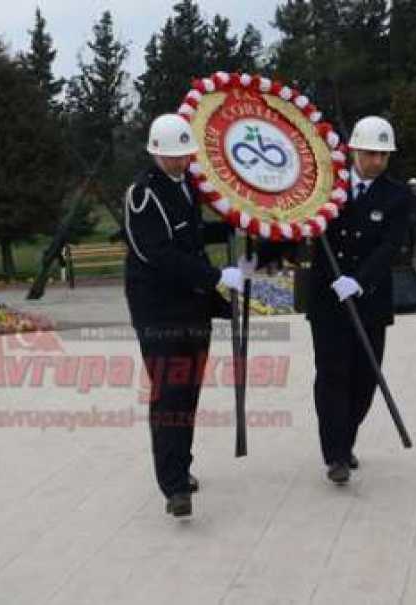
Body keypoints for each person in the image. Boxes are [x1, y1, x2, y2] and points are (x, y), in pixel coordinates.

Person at [124, 114, 244, 517]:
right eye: (172, 157)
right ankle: (173, 486)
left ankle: (182, 466)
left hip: (192, 305)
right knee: (169, 394)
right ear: (156, 153)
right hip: (159, 309)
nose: (180, 163)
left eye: (184, 156)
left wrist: (227, 227)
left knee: (188, 390)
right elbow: (158, 254)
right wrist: (215, 276)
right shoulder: (142, 195)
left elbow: (188, 236)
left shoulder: (188, 184)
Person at [304, 116, 411, 485]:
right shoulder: (323, 187)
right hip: (327, 300)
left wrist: (360, 281)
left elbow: (390, 246)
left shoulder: (398, 196)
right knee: (333, 374)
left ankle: (346, 438)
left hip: (370, 300)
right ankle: (335, 454)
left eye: (384, 155)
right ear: (354, 151)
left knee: (365, 378)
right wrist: (265, 254)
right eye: (371, 153)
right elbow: (296, 223)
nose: (378, 162)